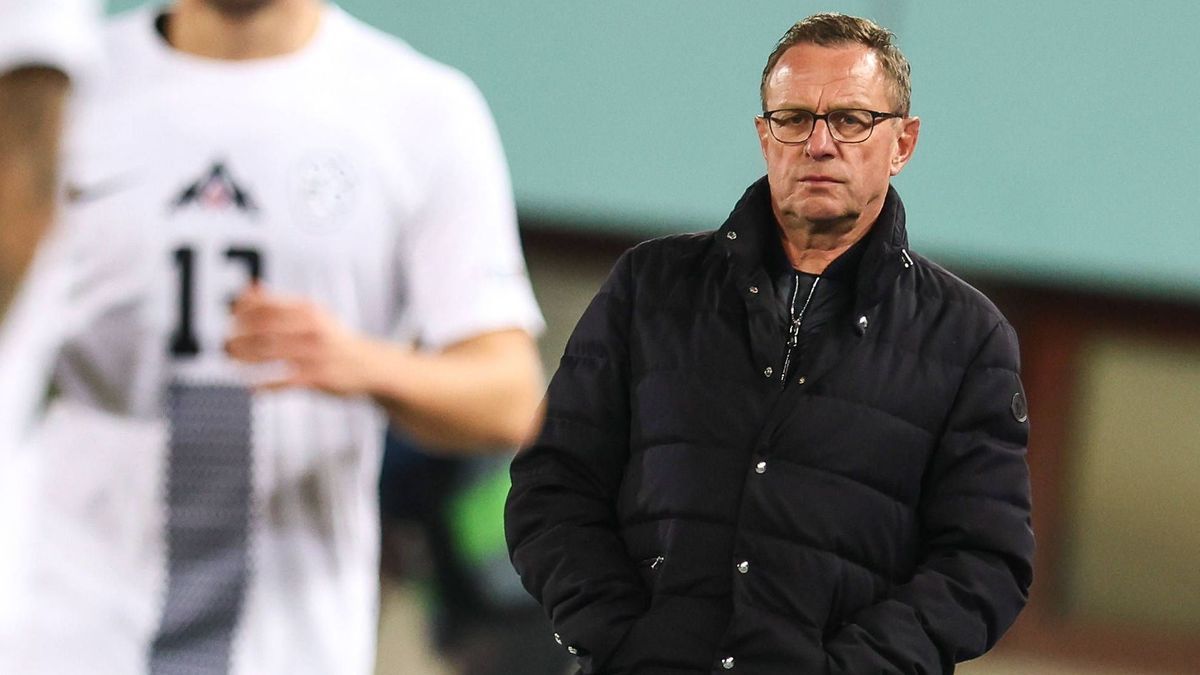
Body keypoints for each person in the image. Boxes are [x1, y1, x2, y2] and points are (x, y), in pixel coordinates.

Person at [11, 0, 545, 673]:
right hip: (64, 626)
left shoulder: (422, 109)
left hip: (291, 640)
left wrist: (367, 363)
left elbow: (508, 395)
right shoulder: (63, 91)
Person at [506, 12, 1034, 674]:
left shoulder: (966, 336)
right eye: (793, 119)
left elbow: (985, 560)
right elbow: (553, 485)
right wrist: (621, 638)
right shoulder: (652, 287)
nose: (818, 143)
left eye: (850, 120)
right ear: (765, 135)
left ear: (903, 143)